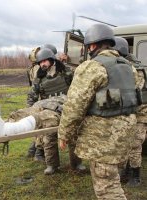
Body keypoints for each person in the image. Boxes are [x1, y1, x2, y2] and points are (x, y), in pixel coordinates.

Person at [58, 24, 140, 200]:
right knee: (112, 177)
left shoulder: (91, 67)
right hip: (125, 132)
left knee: (107, 189)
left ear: (92, 46)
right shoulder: (129, 67)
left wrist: (64, 134)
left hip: (103, 136)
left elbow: (74, 106)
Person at [27, 48, 84, 175]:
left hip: (67, 108)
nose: (42, 64)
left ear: (52, 60)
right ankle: (52, 165)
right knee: (49, 138)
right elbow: (32, 97)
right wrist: (32, 113)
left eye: (44, 61)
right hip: (49, 112)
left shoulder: (66, 72)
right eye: (40, 62)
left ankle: (77, 163)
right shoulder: (39, 78)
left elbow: (78, 87)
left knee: (73, 136)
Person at [113, 36, 147, 187]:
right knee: (125, 143)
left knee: (134, 144)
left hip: (139, 113)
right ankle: (126, 171)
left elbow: (131, 93)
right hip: (127, 113)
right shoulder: (120, 66)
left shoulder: (136, 69)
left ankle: (136, 175)